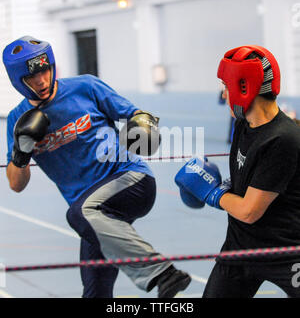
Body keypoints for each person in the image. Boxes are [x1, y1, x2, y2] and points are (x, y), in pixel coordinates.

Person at [2, 36, 191, 298]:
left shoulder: (86, 87)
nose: (42, 81)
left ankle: (161, 273)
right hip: (94, 212)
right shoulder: (16, 119)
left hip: (130, 179)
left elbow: (136, 114)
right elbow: (16, 183)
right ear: (17, 80)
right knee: (95, 289)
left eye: (45, 70)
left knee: (79, 213)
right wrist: (21, 152)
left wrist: (144, 127)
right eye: (32, 77)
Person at [175, 45, 300, 298]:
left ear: (245, 88)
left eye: (226, 86)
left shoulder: (282, 139)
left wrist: (212, 192)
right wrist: (228, 187)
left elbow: (249, 211)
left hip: (287, 253)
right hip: (240, 247)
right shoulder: (243, 125)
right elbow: (246, 185)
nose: (223, 94)